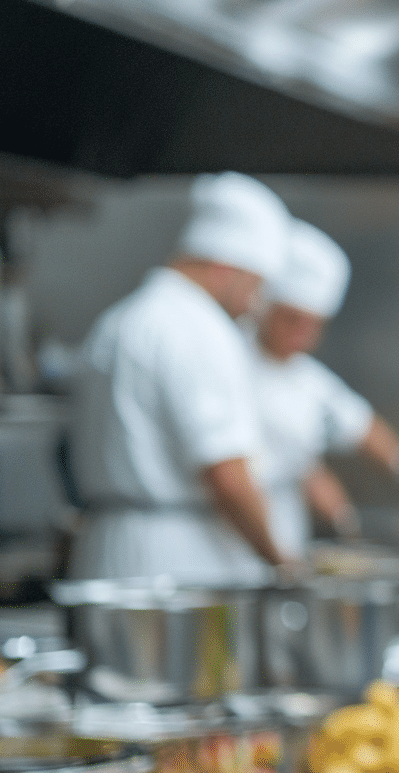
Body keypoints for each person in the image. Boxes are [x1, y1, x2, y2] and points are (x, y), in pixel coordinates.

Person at [68, 172, 293, 584]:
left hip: (104, 549)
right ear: (225, 268)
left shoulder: (119, 320)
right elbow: (227, 476)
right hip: (175, 569)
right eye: (255, 285)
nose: (255, 304)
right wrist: (282, 562)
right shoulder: (198, 330)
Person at [249, 218, 399, 560]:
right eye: (292, 320)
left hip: (283, 534)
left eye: (315, 326)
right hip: (236, 531)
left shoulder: (305, 378)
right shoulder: (227, 363)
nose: (303, 336)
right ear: (265, 308)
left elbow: (366, 432)